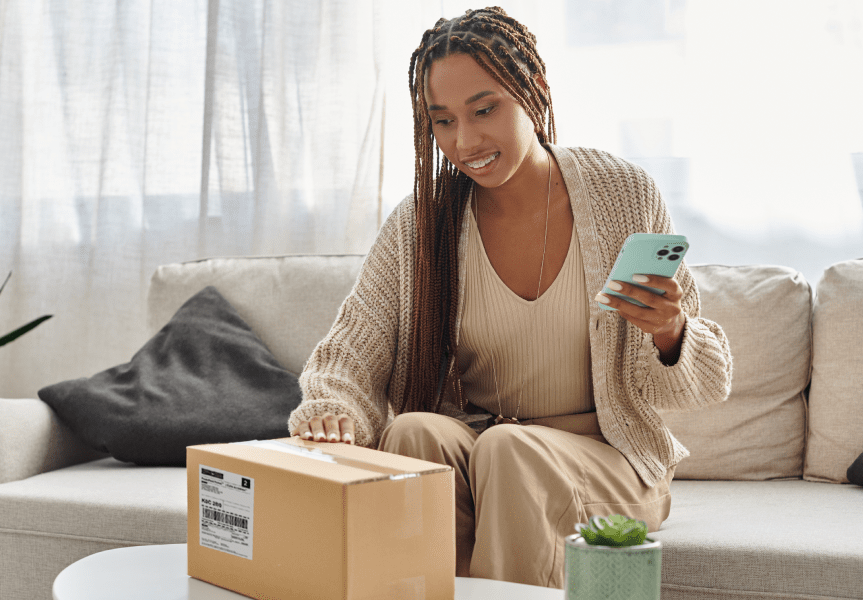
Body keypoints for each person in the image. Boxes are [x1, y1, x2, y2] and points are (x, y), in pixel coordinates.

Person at [287, 6, 733, 589]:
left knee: (509, 450)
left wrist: (671, 334)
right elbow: (351, 350)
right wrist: (332, 410)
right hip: (484, 444)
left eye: (484, 109)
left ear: (534, 89)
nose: (464, 141)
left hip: (608, 462)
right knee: (413, 433)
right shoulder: (424, 225)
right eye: (441, 120)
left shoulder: (620, 192)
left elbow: (702, 385)